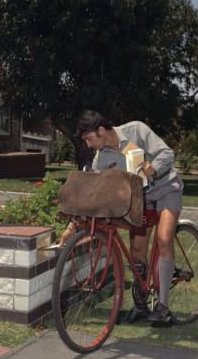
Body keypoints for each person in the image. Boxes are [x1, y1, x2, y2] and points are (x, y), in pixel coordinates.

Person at [59, 109, 184, 327]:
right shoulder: (101, 159)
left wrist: (152, 168)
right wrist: (72, 225)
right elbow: (93, 195)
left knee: (164, 239)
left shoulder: (136, 130)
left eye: (88, 138)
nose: (87, 145)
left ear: (100, 131)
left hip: (165, 188)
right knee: (137, 251)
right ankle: (141, 305)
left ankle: (163, 307)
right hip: (140, 201)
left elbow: (167, 153)